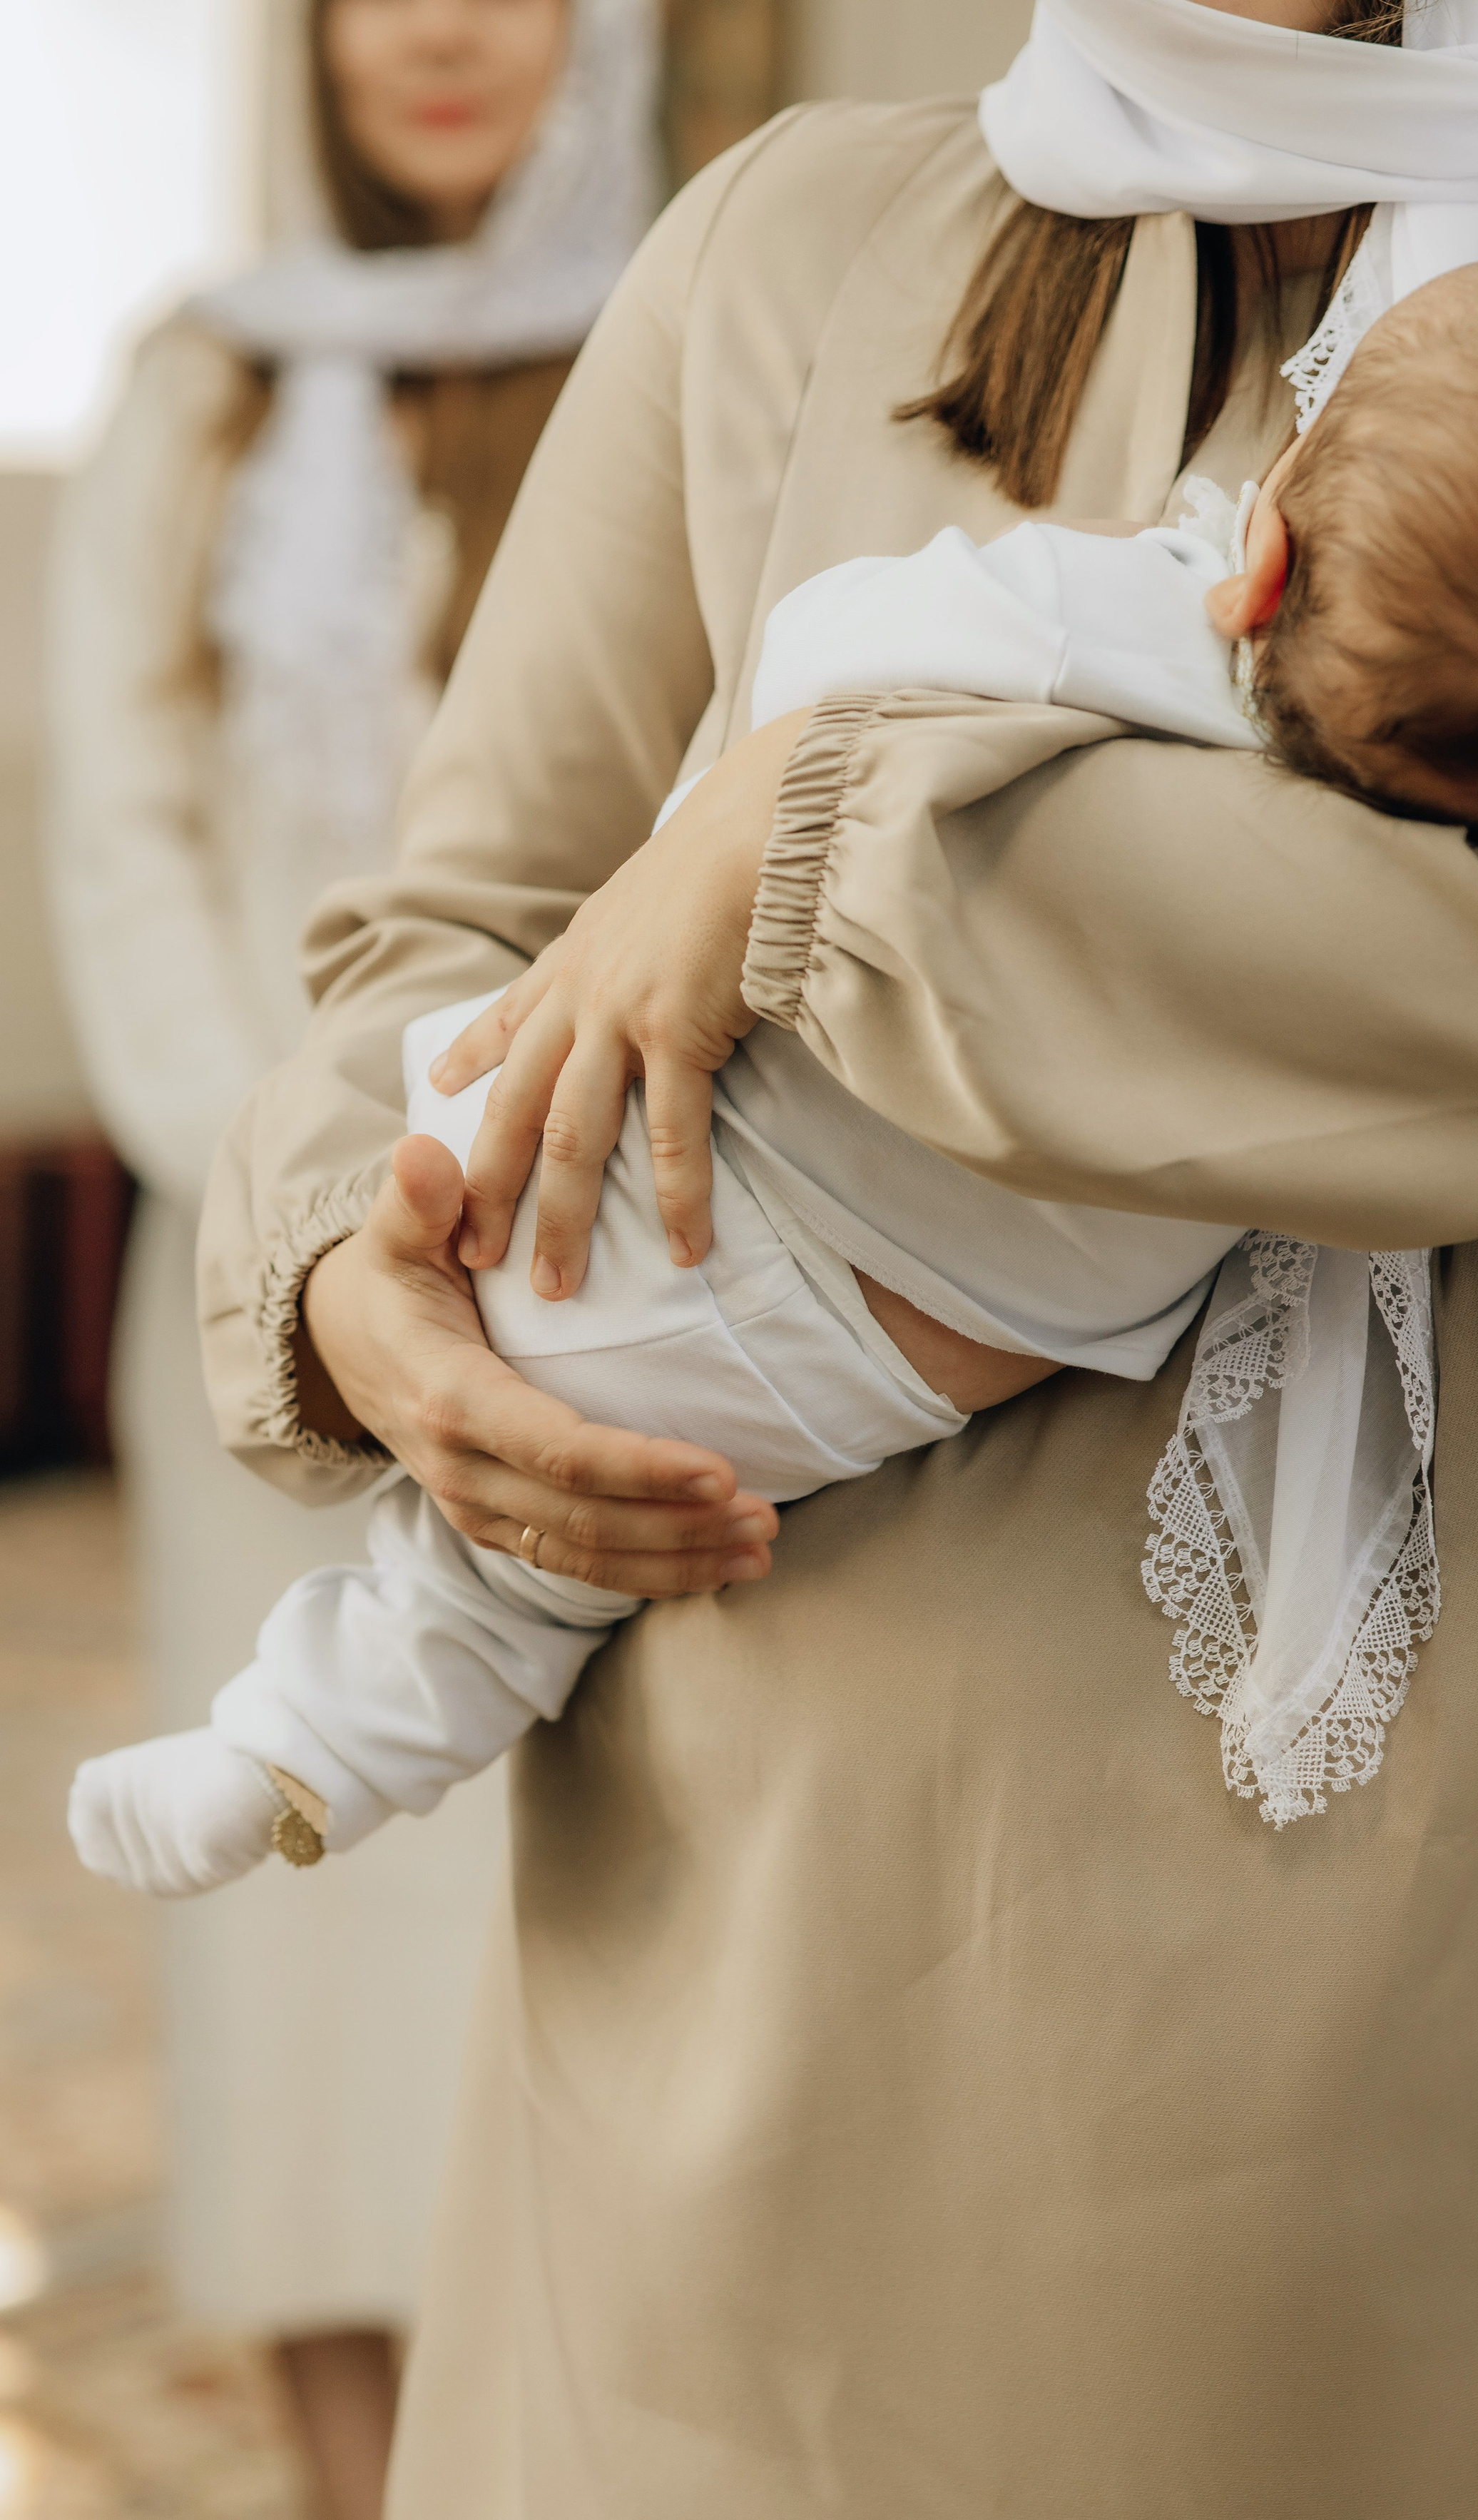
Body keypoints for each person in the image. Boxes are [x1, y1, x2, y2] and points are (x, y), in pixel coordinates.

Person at [199, 0, 1478, 2504]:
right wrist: (356, 1283)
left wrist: (808, 829)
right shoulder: (788, 244)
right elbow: (450, 930)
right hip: (733, 2106)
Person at [67, 250, 1478, 1884]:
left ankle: (284, 1743)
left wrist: (788, 786)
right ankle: (306, 1753)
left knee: (517, 1437)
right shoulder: (1442, 906)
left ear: (1259, 561)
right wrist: (332, 1307)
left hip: (659, 1198)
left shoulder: (1138, 615)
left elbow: (835, 649)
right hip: (864, 1379)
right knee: (529, 1574)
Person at [43, 0, 653, 2511]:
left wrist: (525, 1194)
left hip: (611, 1249)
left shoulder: (677, 333)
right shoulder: (191, 387)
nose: (440, 32)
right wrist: (306, 1226)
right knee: (300, 1948)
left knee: (568, 1924)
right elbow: (124, 830)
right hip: (261, 1295)